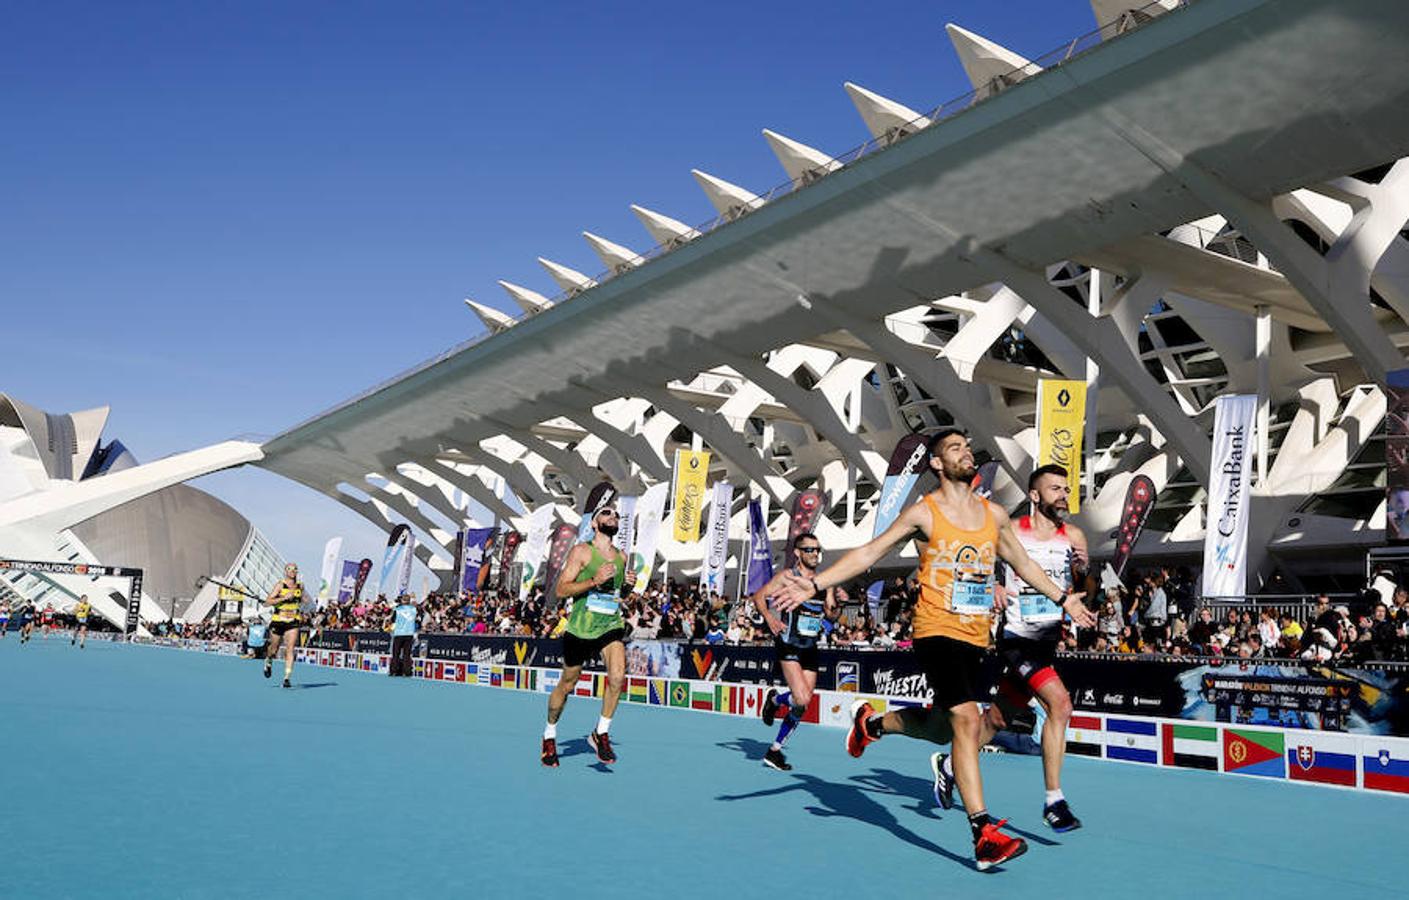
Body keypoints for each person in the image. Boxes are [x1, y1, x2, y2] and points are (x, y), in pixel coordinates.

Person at [774, 429, 1092, 871]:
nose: (966, 451)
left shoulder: (993, 513)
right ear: (939, 465)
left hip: (975, 633)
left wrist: (1064, 598)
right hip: (935, 628)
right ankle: (983, 834)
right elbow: (870, 552)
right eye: (955, 448)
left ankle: (872, 724)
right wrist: (817, 581)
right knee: (966, 720)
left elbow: (1023, 563)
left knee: (946, 727)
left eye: (967, 444)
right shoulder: (924, 512)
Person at [942, 463, 1086, 833]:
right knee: (1060, 703)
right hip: (1017, 639)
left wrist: (1084, 583)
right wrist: (992, 585)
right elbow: (973, 559)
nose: (1062, 495)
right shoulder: (1011, 531)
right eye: (1055, 489)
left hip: (1048, 639)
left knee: (997, 720)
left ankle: (948, 765)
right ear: (1035, 496)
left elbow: (1082, 585)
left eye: (1065, 489)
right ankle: (1054, 801)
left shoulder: (1074, 536)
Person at [541, 502, 637, 766]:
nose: (613, 516)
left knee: (617, 676)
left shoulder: (622, 557)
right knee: (567, 684)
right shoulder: (582, 552)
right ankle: (549, 734)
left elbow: (618, 595)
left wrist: (628, 588)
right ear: (594, 523)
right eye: (606, 512)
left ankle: (601, 733)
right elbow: (561, 590)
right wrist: (593, 580)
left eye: (616, 514)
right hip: (581, 627)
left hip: (609, 625)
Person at [751, 531, 838, 771]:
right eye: (809, 550)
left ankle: (774, 750)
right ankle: (776, 699)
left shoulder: (824, 581)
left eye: (818, 550)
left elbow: (832, 614)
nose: (815, 554)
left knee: (802, 704)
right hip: (788, 643)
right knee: (801, 697)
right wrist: (769, 617)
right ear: (798, 553)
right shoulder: (787, 577)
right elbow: (759, 596)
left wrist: (835, 604)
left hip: (810, 646)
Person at [262, 564, 307, 688]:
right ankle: (269, 661)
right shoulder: (280, 585)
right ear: (285, 572)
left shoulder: (300, 586)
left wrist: (304, 601)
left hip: (293, 620)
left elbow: (302, 600)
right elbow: (267, 602)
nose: (292, 571)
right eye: (289, 569)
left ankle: (287, 678)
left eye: (295, 569)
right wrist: (283, 598)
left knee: (290, 648)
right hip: (278, 620)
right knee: (274, 649)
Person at [390, 594, 419, 677]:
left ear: (402, 601)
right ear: (409, 601)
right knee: (407, 654)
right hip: (409, 633)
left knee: (396, 653)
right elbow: (417, 618)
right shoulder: (414, 609)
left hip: (399, 633)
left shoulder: (397, 609)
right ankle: (407, 672)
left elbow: (393, 620)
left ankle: (394, 671)